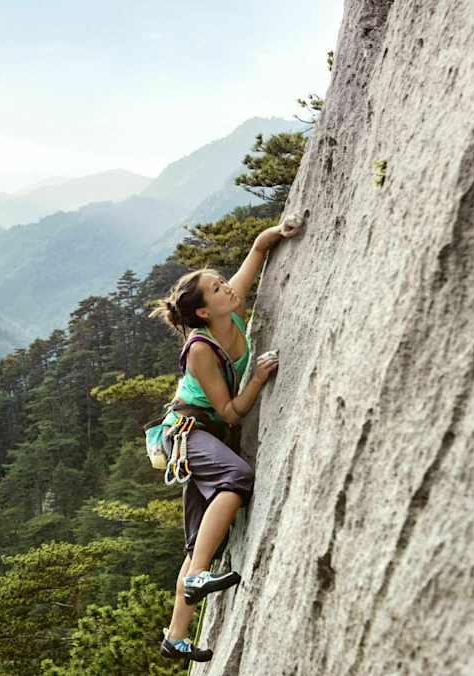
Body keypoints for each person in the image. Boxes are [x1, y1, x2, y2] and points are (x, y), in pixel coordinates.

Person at [148, 214, 302, 662]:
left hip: (209, 435)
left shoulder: (227, 309)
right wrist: (256, 379)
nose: (228, 289)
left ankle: (175, 637)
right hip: (189, 432)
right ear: (202, 311)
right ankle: (197, 578)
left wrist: (273, 235)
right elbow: (231, 411)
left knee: (199, 544)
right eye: (216, 288)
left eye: (221, 282)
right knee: (237, 478)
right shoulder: (200, 348)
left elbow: (255, 256)